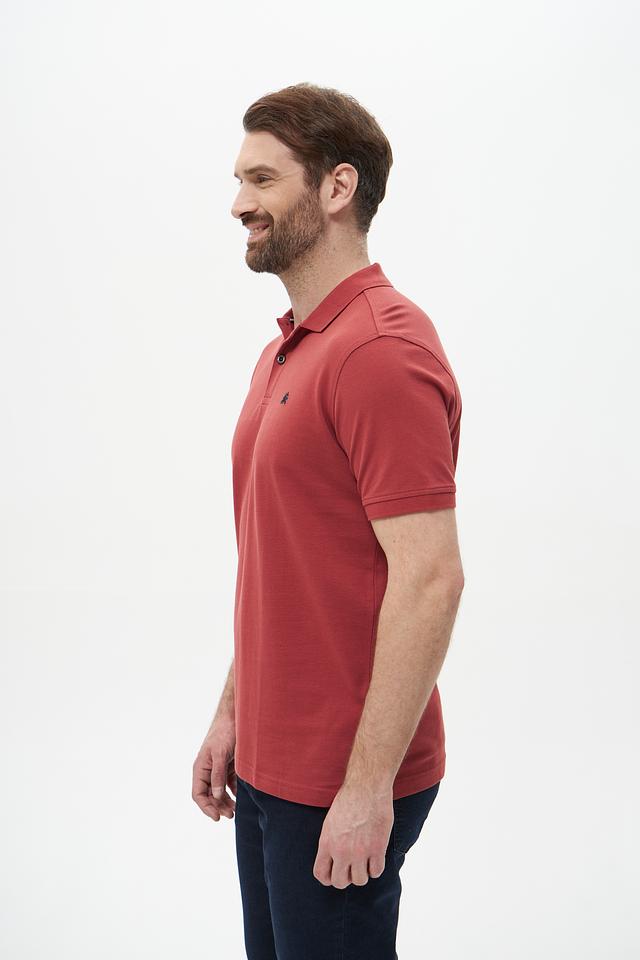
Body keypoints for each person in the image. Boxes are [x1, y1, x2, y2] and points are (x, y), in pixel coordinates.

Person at [192, 82, 465, 960]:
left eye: (263, 179)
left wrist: (367, 788)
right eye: (239, 179)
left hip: (341, 780)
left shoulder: (380, 351)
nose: (239, 203)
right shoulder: (288, 349)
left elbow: (431, 579)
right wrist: (233, 714)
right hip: (272, 768)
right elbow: (283, 563)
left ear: (337, 187)